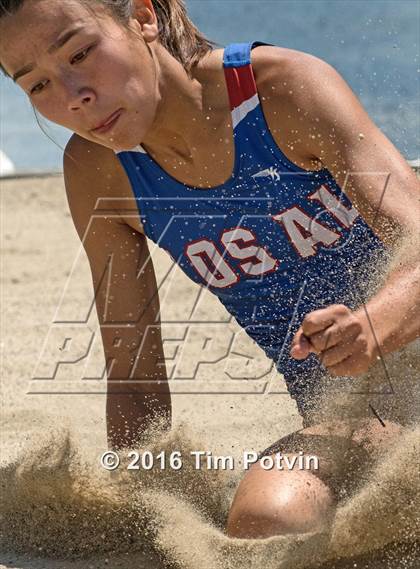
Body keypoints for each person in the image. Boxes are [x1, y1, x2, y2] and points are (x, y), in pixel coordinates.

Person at [1, 0, 419, 540]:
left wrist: (375, 322)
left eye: (81, 52)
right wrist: (144, 504)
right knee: (269, 515)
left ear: (144, 17)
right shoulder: (98, 170)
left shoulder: (280, 90)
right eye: (36, 86)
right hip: (365, 422)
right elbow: (134, 378)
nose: (73, 97)